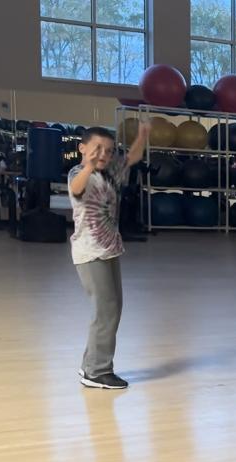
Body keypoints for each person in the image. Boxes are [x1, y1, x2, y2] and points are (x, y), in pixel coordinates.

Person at [70, 123, 148, 390]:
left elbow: (133, 157)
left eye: (108, 150)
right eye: (97, 149)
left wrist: (142, 135)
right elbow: (76, 189)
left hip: (110, 249)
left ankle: (89, 363)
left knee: (112, 308)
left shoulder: (111, 175)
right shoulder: (79, 173)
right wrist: (89, 166)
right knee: (106, 310)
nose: (103, 154)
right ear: (82, 148)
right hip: (89, 253)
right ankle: (97, 371)